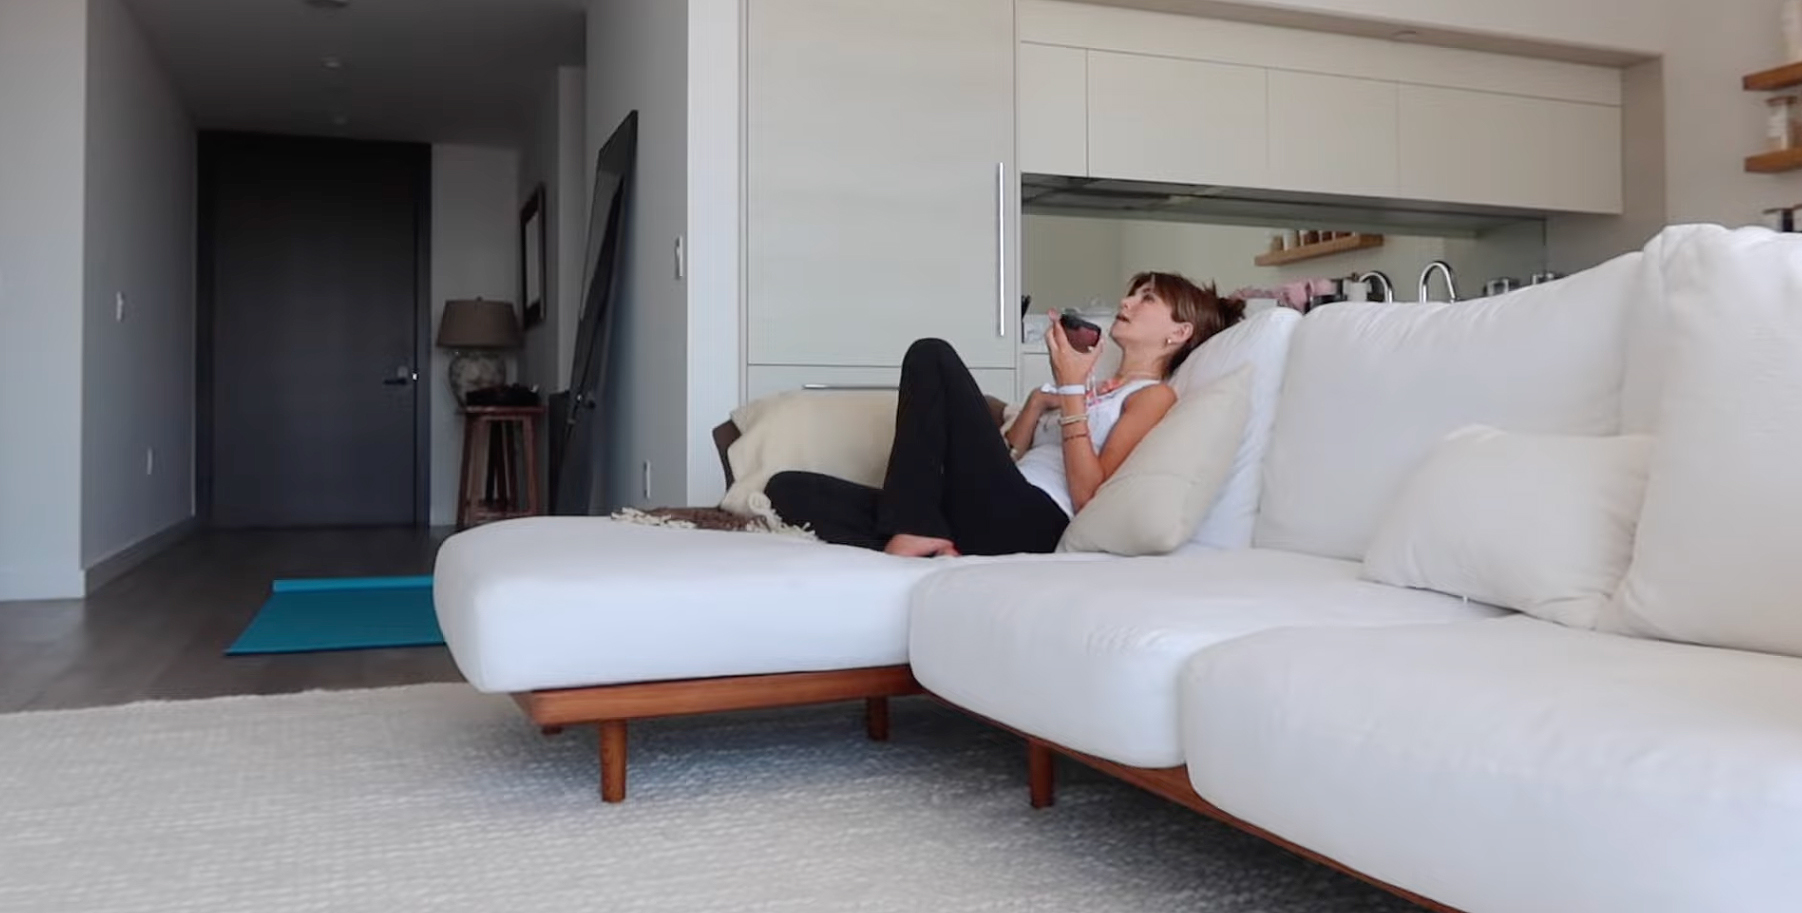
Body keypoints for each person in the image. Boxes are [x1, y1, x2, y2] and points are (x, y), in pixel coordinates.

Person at [765, 272, 1246, 557]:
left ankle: (915, 528)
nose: (1126, 301)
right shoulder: (1088, 387)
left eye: (1147, 298)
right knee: (787, 489)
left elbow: (1089, 497)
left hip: (1034, 520)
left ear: (1179, 333)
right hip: (993, 503)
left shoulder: (1151, 397)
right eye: (1133, 292)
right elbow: (997, 461)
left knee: (931, 355)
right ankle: (935, 541)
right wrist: (1038, 403)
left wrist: (1072, 391)